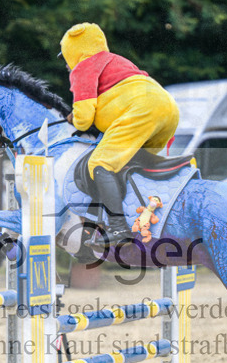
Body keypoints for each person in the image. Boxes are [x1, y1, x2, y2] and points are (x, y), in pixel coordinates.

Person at [59, 22, 180, 245]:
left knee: (100, 164)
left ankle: (118, 228)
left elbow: (84, 119)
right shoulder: (117, 60)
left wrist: (74, 117)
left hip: (141, 110)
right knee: (129, 162)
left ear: (73, 51)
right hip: (168, 109)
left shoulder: (84, 67)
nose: (67, 64)